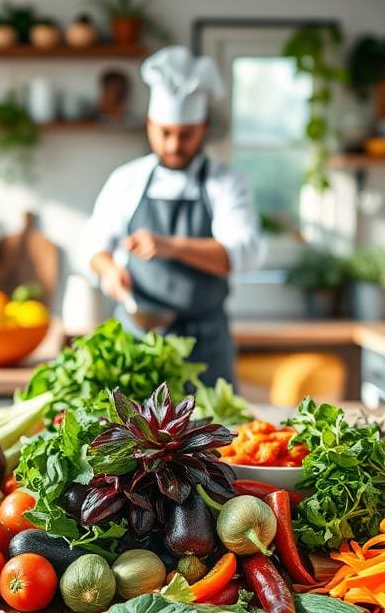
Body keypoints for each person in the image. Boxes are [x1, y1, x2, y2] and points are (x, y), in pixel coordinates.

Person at [78, 46, 264, 386]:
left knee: (216, 434)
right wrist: (110, 270)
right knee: (129, 435)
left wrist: (170, 246)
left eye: (186, 135)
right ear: (150, 125)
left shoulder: (227, 184)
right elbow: (94, 244)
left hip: (205, 345)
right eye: (165, 133)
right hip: (136, 341)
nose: (174, 145)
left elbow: (242, 253)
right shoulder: (127, 179)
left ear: (203, 127)